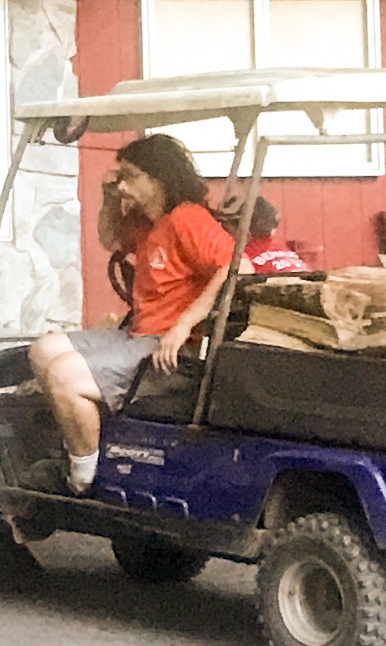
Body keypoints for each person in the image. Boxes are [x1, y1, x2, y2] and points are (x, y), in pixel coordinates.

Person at [23, 132, 236, 491]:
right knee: (42, 349)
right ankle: (84, 437)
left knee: (63, 375)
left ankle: (82, 478)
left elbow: (236, 266)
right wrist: (109, 197)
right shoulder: (151, 222)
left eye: (131, 176)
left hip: (170, 349)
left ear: (158, 179)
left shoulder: (187, 218)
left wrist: (184, 325)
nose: (122, 184)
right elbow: (110, 240)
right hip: (138, 334)